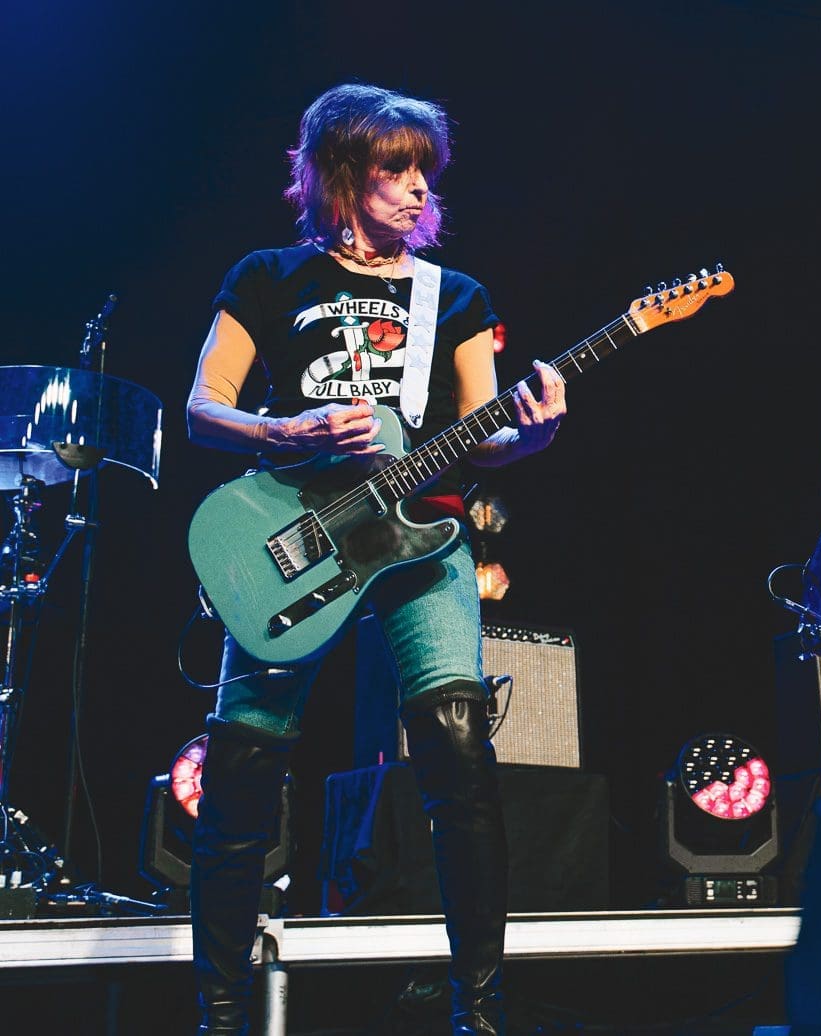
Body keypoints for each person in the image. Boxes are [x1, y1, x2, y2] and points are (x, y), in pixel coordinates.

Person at [184, 81, 566, 1035]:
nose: (418, 188)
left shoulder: (456, 296)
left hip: (423, 538)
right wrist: (288, 429)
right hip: (295, 534)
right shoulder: (268, 276)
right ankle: (220, 1015)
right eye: (396, 170)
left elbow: (483, 434)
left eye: (424, 170)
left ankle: (479, 1011)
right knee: (241, 771)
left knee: (459, 752)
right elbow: (202, 408)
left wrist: (533, 435)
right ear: (341, 176)